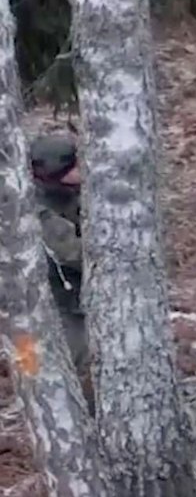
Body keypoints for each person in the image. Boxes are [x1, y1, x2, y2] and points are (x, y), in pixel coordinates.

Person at [28, 132, 89, 397]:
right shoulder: (33, 209)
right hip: (51, 305)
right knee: (80, 366)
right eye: (72, 167)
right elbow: (73, 253)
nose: (80, 172)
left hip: (74, 297)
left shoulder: (69, 193)